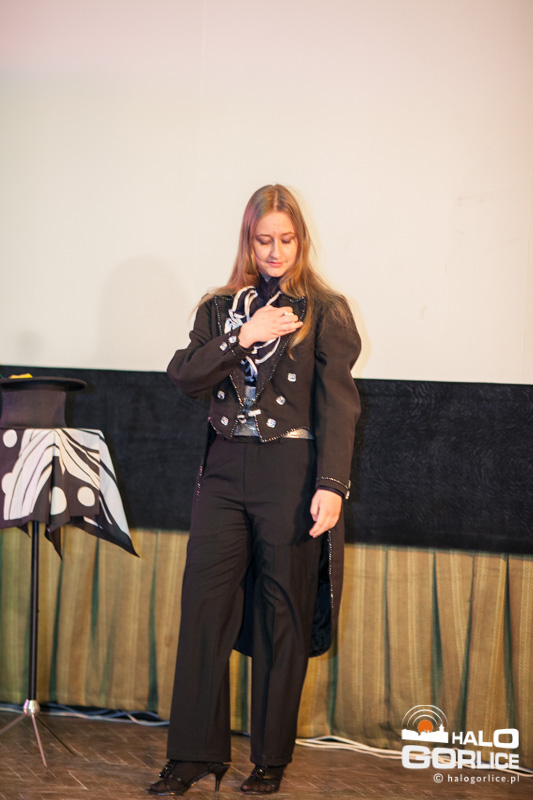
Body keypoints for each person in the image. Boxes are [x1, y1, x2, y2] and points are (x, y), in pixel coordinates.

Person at [148, 184, 361, 796]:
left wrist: (332, 485)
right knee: (203, 608)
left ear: (300, 240)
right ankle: (193, 756)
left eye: (285, 240)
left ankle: (270, 758)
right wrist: (243, 335)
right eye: (263, 239)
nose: (274, 251)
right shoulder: (219, 308)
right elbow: (186, 376)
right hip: (223, 469)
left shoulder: (325, 309)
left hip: (289, 469)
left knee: (281, 613)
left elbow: (340, 405)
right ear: (248, 239)